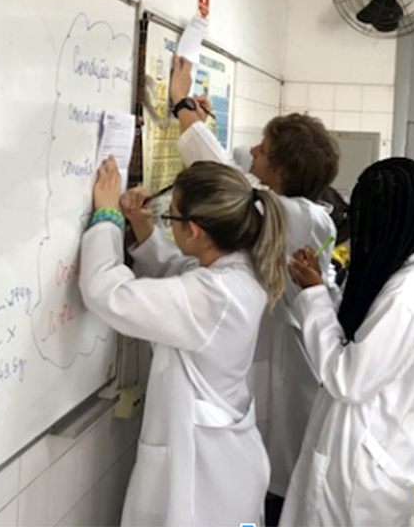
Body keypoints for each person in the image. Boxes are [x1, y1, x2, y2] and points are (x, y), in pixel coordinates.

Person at [168, 55, 342, 518]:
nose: (252, 152)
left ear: (281, 173)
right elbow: (236, 182)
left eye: (262, 150)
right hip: (268, 391)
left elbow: (228, 186)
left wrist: (182, 105)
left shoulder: (302, 218)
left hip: (282, 396)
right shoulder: (297, 215)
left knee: (269, 501)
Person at [79, 157, 287, 526]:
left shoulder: (215, 295)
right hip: (228, 473)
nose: (167, 222)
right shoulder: (238, 267)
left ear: (194, 230)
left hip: (205, 486)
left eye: (169, 216)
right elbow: (177, 272)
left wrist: (107, 217)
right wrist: (143, 226)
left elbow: (105, 293)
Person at [280, 157, 414, 526]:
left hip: (360, 467)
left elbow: (350, 379)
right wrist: (319, 287)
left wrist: (314, 296)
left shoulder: (409, 292)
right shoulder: (399, 272)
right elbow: (356, 335)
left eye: (364, 215)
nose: (358, 227)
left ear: (387, 219)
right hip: (360, 450)